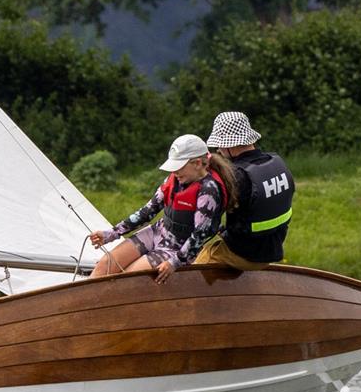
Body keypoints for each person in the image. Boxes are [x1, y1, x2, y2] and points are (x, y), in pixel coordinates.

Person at [89, 134, 237, 284]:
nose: (175, 172)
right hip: (157, 232)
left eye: (178, 167)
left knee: (127, 279)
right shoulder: (175, 178)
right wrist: (112, 233)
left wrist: (175, 262)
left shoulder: (209, 192)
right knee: (105, 266)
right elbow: (147, 211)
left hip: (176, 249)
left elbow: (200, 234)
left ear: (198, 163)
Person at [194, 112, 294, 269]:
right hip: (272, 250)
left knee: (192, 271)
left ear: (229, 145)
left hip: (244, 254)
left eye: (220, 145)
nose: (219, 150)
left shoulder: (238, 176)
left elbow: (208, 223)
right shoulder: (277, 164)